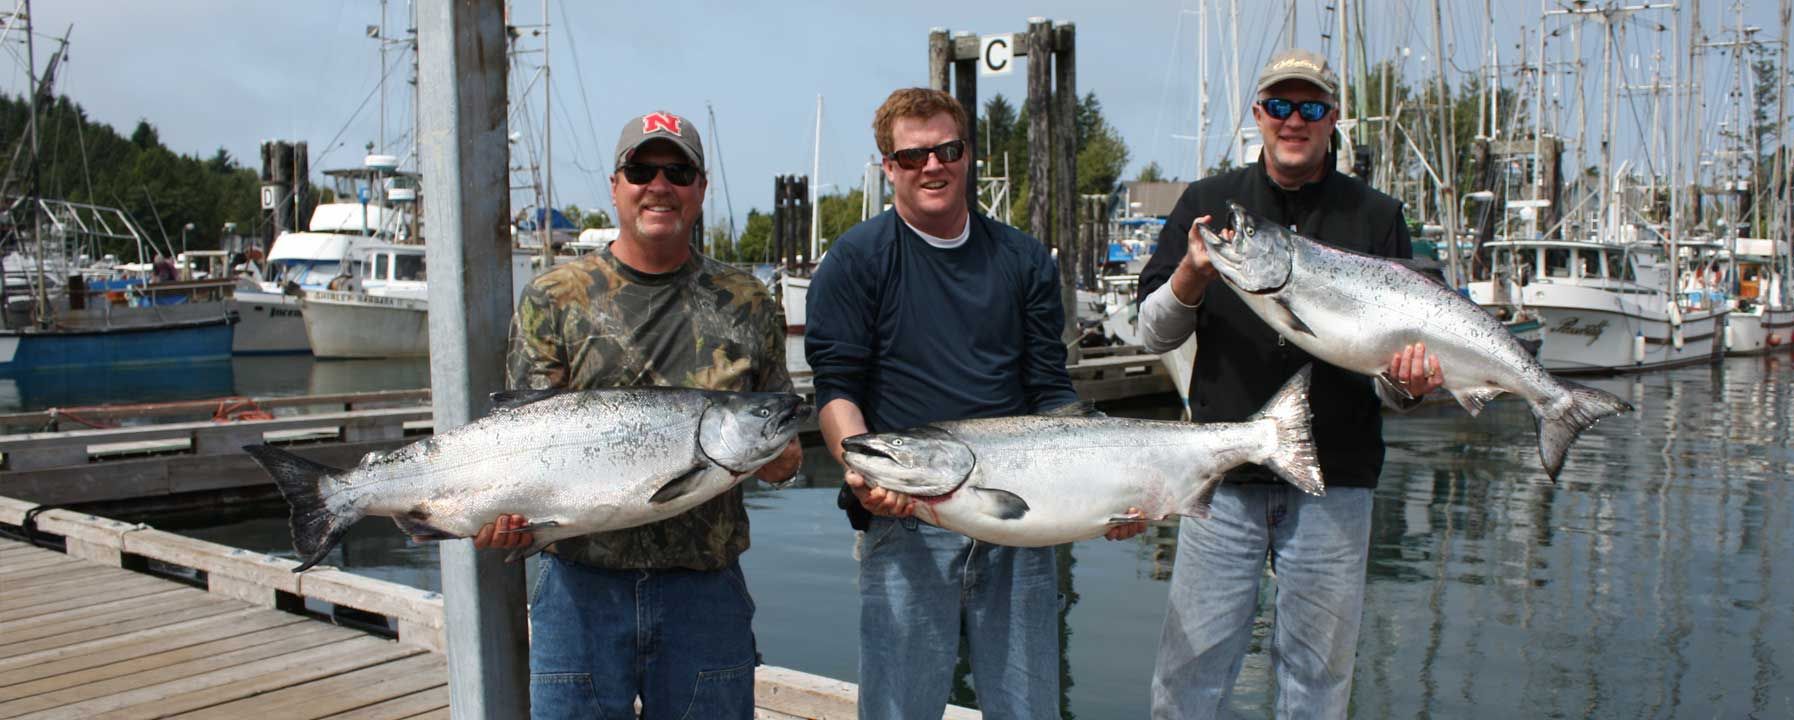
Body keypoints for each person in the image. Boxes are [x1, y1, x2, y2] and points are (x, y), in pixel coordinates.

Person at [806, 87, 1140, 720]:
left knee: (1027, 707)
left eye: (947, 150)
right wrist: (861, 467)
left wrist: (1110, 494)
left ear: (968, 156)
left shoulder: (1024, 260)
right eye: (912, 157)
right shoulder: (855, 261)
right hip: (904, 518)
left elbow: (1051, 392)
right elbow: (837, 389)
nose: (932, 166)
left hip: (1021, 519)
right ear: (889, 168)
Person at [1136, 49, 1445, 720]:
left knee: (1318, 681)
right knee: (1186, 677)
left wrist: (1412, 385)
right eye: (1279, 106)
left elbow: (1396, 388)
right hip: (1220, 480)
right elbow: (1151, 334)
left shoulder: (1377, 216)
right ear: (1258, 115)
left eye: (1309, 107)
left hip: (1337, 480)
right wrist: (1191, 273)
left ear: (1334, 117)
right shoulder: (1207, 206)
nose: (1293, 120)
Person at [475, 109, 802, 720]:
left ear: (701, 189)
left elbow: (781, 443)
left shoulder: (749, 301)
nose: (660, 185)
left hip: (705, 590)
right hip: (578, 588)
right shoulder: (554, 297)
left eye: (678, 171)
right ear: (615, 185)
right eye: (642, 169)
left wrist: (776, 459)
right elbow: (518, 432)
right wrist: (504, 514)